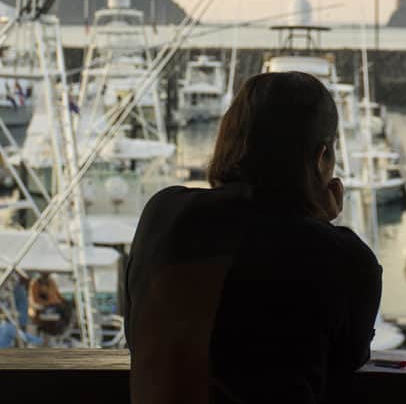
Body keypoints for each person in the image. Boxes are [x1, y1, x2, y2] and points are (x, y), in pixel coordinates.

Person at [124, 71, 382, 404]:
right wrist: (318, 222)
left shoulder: (162, 213)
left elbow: (137, 335)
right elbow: (347, 359)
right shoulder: (345, 257)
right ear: (321, 159)